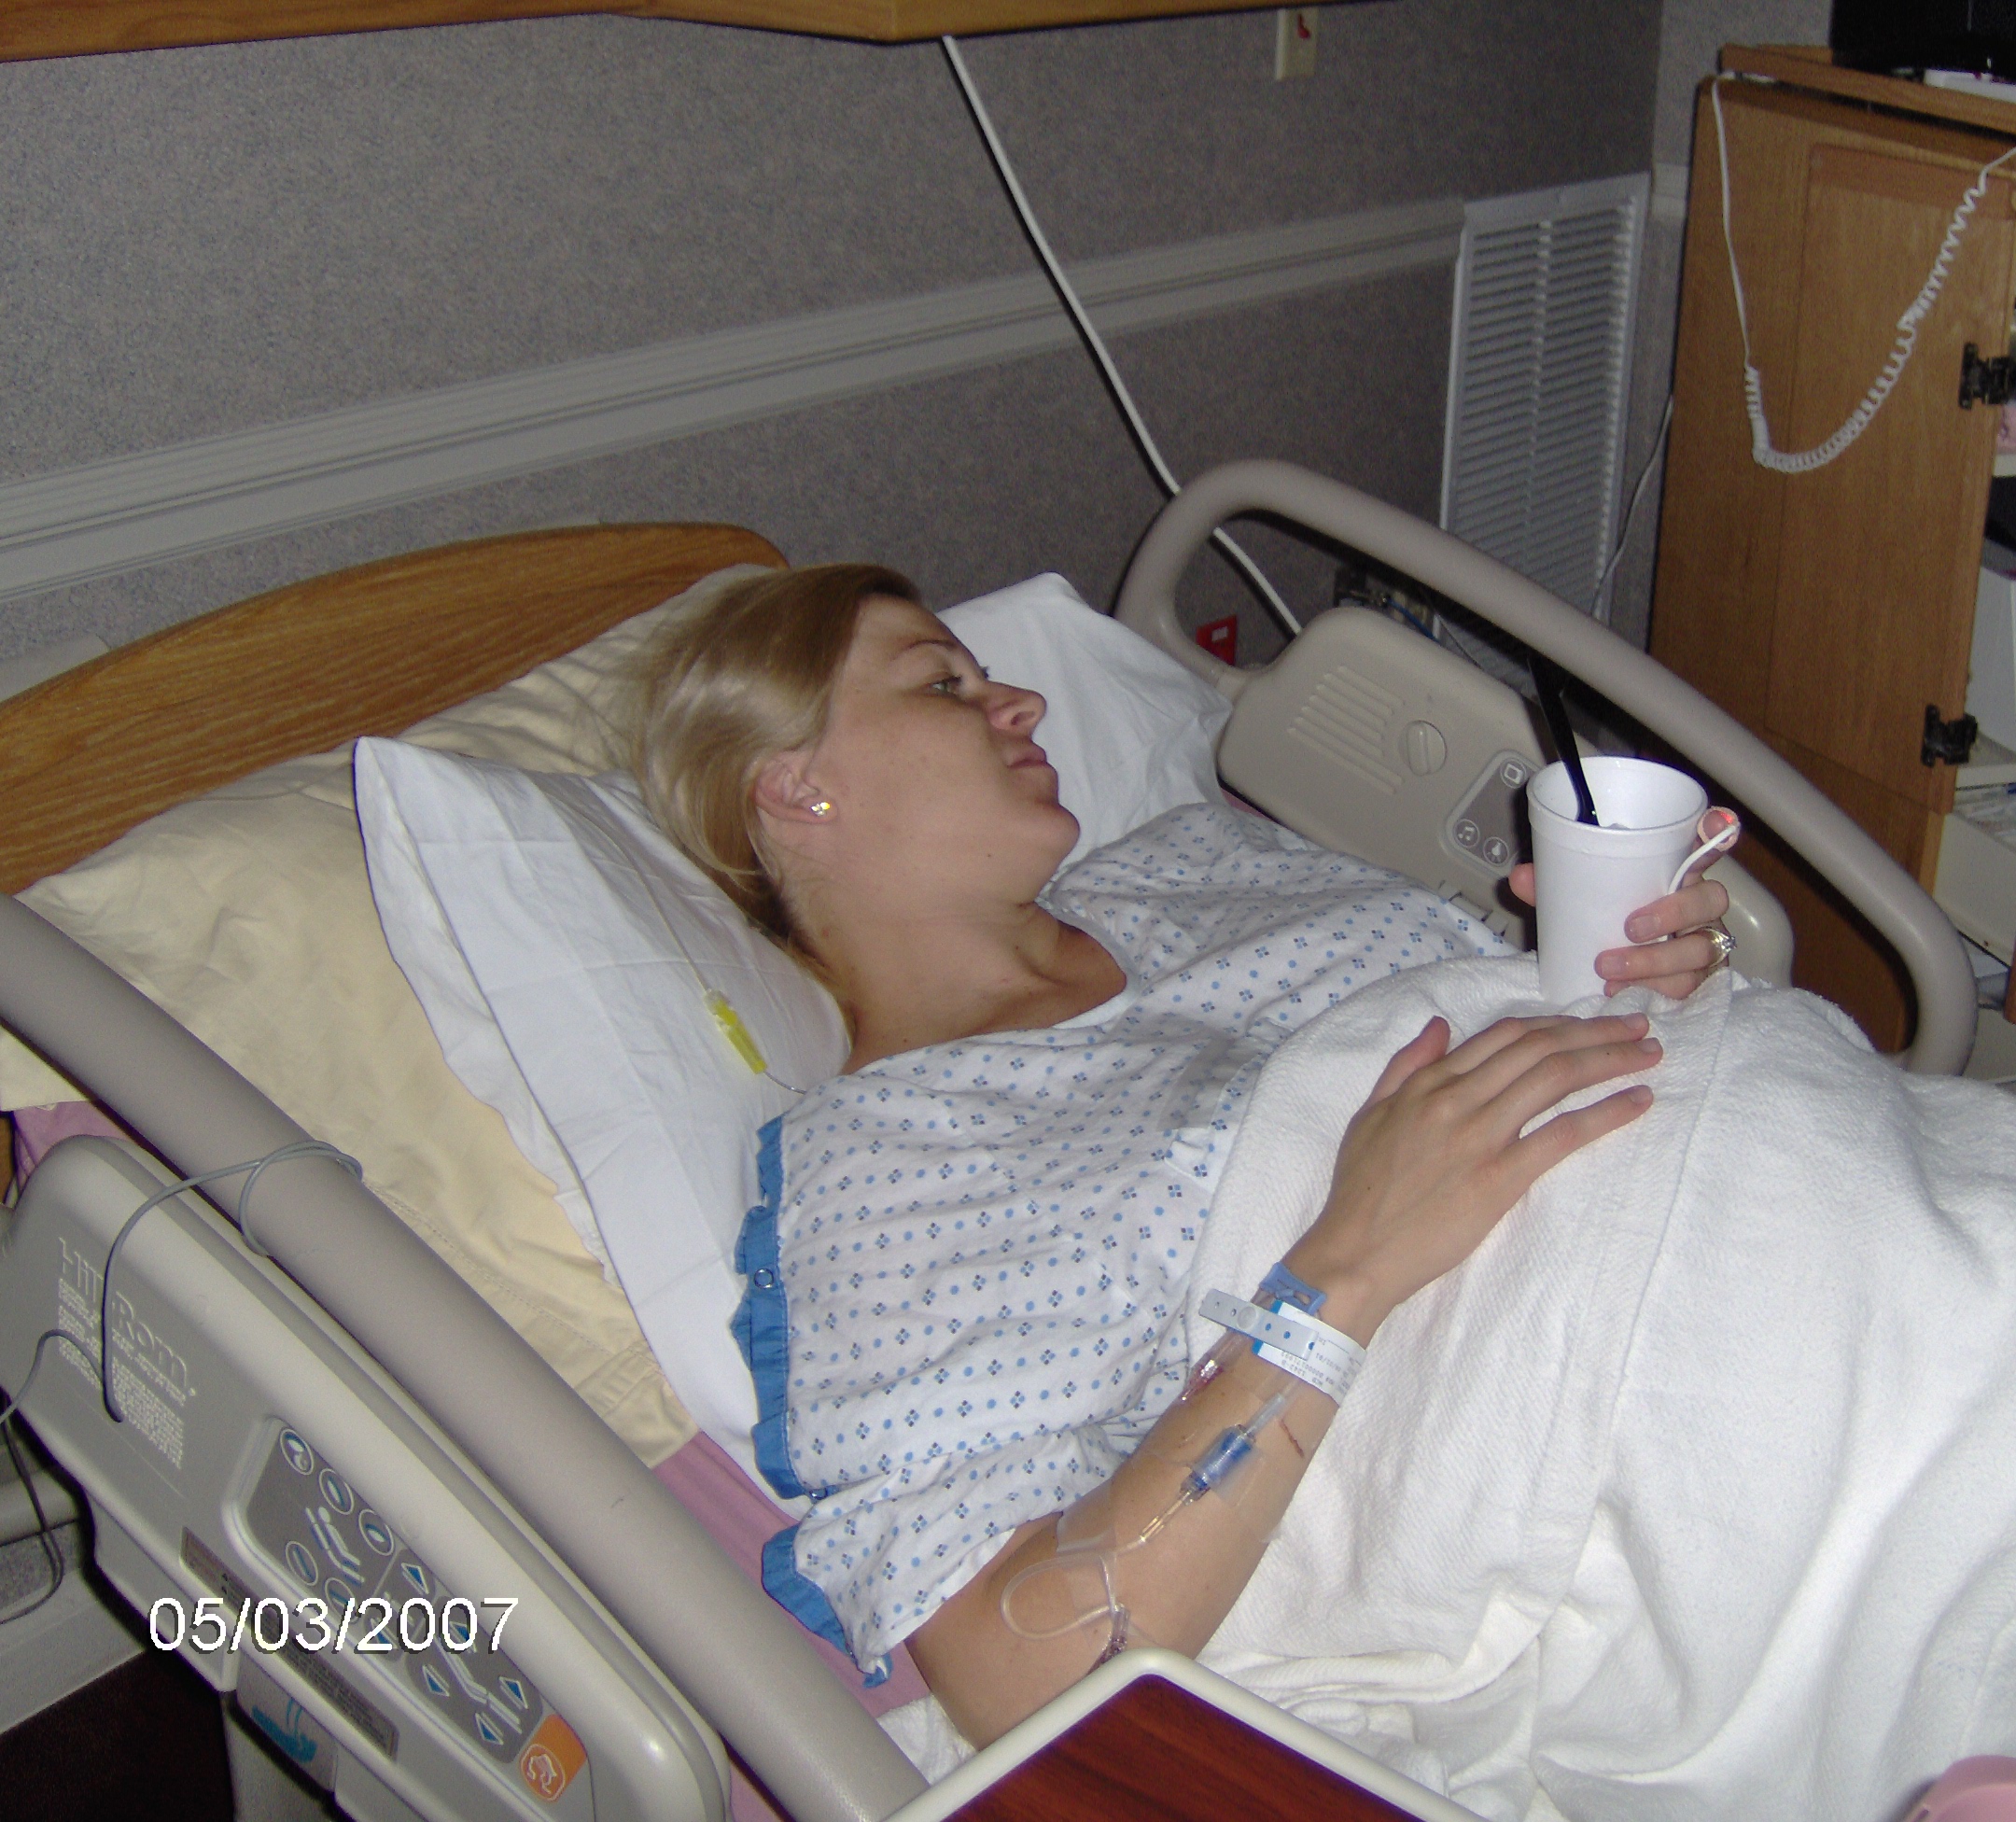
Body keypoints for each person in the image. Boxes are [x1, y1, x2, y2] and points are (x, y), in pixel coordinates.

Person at [632, 563, 1733, 1745]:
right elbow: (1027, 1665)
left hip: (1724, 1176)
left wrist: (1631, 968)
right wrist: (1342, 1270)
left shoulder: (1197, 858)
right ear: (796, 786)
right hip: (1624, 1404)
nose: (1021, 702)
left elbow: (1514, 1026)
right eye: (942, 683)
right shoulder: (880, 1162)